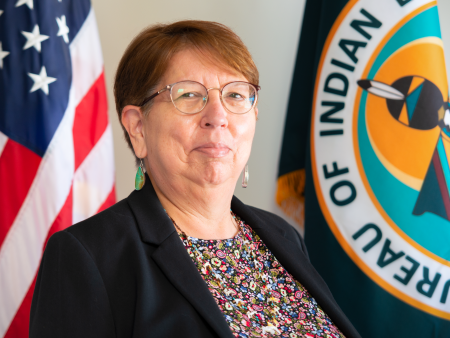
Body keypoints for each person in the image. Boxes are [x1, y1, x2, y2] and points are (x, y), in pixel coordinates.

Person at [29, 20, 361, 338]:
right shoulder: (88, 256)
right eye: (188, 95)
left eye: (235, 96)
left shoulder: (283, 236)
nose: (218, 117)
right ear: (137, 127)